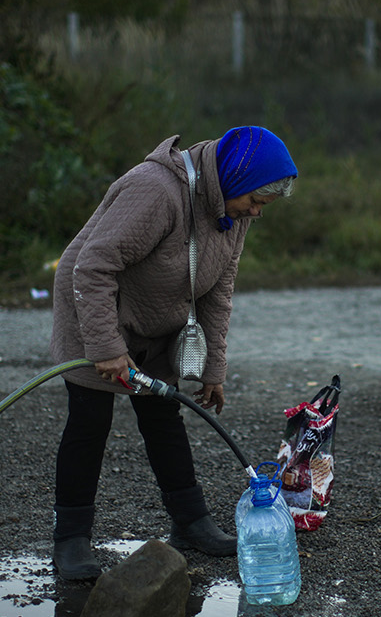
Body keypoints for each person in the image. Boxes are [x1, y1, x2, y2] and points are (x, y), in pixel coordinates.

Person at [48, 126, 298, 580]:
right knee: (90, 423)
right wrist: (106, 347)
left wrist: (213, 368)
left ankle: (190, 522)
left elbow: (218, 291)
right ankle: (70, 540)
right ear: (235, 180)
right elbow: (93, 265)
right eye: (256, 200)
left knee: (163, 418)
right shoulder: (156, 190)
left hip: (161, 317)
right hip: (97, 310)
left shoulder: (230, 212)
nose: (257, 213)